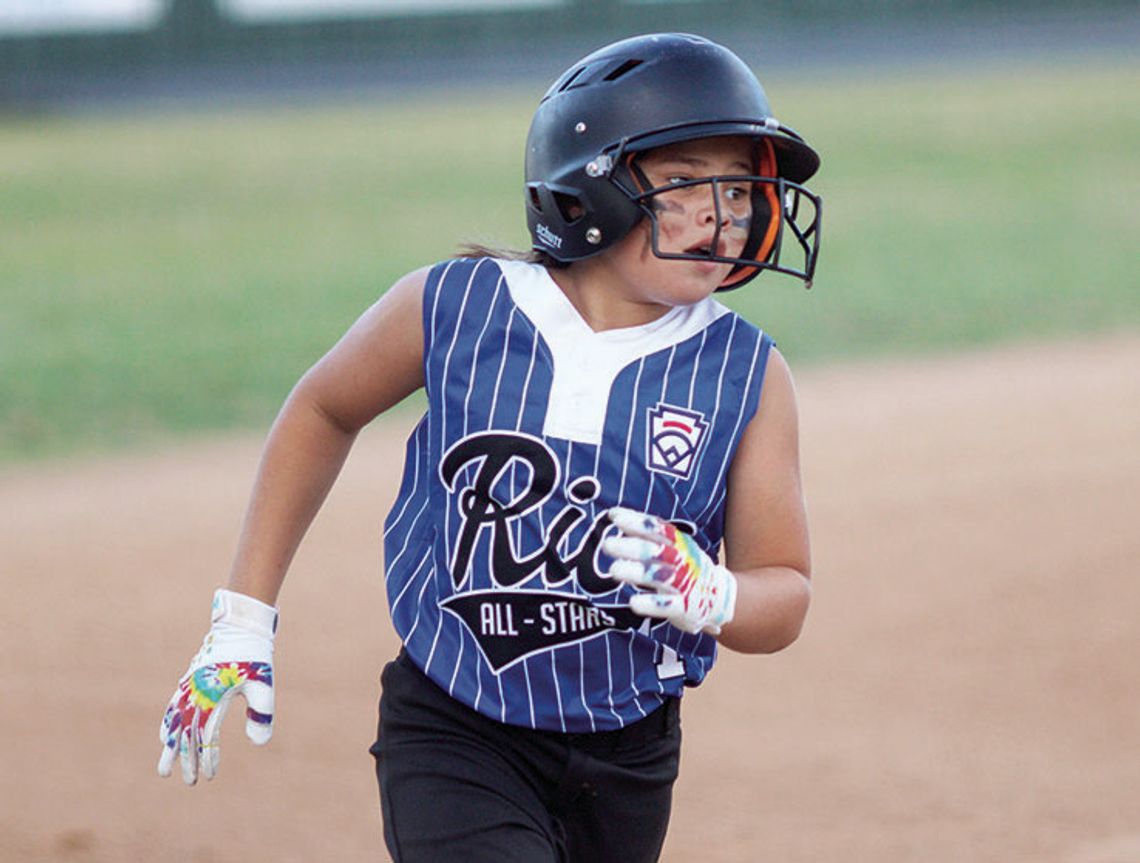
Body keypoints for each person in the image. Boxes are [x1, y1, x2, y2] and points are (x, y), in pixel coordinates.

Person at [158, 31, 822, 863]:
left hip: (627, 753)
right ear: (589, 190)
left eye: (738, 187)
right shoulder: (457, 305)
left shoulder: (748, 374)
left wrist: (717, 593)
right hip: (454, 724)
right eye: (686, 183)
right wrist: (241, 621)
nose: (722, 214)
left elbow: (785, 591)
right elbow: (322, 408)